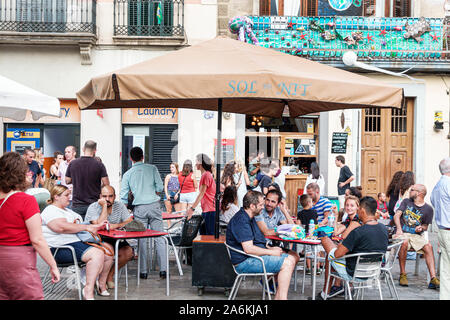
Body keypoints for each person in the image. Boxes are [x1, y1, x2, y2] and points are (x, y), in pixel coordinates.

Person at [0, 152, 60, 300]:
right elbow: (37, 240)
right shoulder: (26, 200)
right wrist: (53, 265)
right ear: (20, 173)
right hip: (19, 261)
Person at [41, 185, 113, 300]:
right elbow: (60, 227)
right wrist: (87, 228)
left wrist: (96, 226)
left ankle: (101, 284)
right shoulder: (50, 210)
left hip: (76, 243)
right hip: (60, 248)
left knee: (108, 252)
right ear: (56, 197)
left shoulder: (69, 211)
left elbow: (81, 227)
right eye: (66, 195)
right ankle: (88, 289)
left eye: (69, 194)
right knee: (97, 254)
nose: (69, 198)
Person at [226, 190, 299, 300]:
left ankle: (279, 298)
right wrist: (271, 252)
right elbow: (248, 249)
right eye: (261, 204)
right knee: (287, 263)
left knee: (292, 258)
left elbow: (254, 243)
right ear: (252, 206)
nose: (263, 206)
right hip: (244, 262)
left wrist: (270, 248)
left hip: (250, 257)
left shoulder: (248, 217)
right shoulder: (241, 220)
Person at [313, 196, 388, 300]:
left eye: (358, 209)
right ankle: (333, 289)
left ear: (362, 210)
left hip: (354, 272)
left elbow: (337, 254)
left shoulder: (358, 232)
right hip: (373, 271)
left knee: (328, 248)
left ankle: (325, 293)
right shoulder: (384, 229)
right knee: (334, 251)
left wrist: (327, 241)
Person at [120, 146, 167, 280]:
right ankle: (163, 270)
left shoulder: (128, 174)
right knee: (159, 237)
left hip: (139, 207)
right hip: (154, 206)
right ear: (143, 157)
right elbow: (159, 187)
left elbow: (123, 197)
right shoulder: (152, 168)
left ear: (131, 159)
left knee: (142, 240)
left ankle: (143, 272)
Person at [85, 185, 134, 289]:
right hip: (98, 238)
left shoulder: (120, 206)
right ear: (100, 196)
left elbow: (129, 221)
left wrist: (115, 226)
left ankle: (109, 276)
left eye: (110, 196)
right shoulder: (93, 207)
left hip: (116, 237)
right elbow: (99, 224)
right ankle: (101, 279)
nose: (107, 199)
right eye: (104, 196)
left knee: (128, 252)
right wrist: (104, 206)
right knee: (109, 251)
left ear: (115, 196)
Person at [394, 184, 440, 289]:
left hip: (416, 236)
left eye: (412, 190)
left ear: (419, 193)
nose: (410, 191)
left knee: (429, 246)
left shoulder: (428, 209)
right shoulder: (406, 202)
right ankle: (403, 274)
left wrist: (421, 228)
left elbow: (425, 226)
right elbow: (397, 215)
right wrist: (399, 229)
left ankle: (433, 279)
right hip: (403, 233)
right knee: (404, 242)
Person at [65, 140, 110, 219]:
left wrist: (77, 179)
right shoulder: (99, 165)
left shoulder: (73, 163)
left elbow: (67, 180)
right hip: (94, 204)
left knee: (78, 228)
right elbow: (106, 184)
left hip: (77, 204)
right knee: (94, 228)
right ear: (95, 150)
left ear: (83, 149)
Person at [431, 157, 450, 299]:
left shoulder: (437, 185)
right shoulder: (448, 184)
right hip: (448, 230)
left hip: (442, 230)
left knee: (445, 269)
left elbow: (434, 203)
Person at [186, 153, 217, 235]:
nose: (195, 163)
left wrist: (192, 209)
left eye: (196, 161)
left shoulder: (206, 175)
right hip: (208, 209)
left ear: (201, 162)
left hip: (210, 210)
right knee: (205, 235)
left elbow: (201, 194)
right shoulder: (207, 174)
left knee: (209, 236)